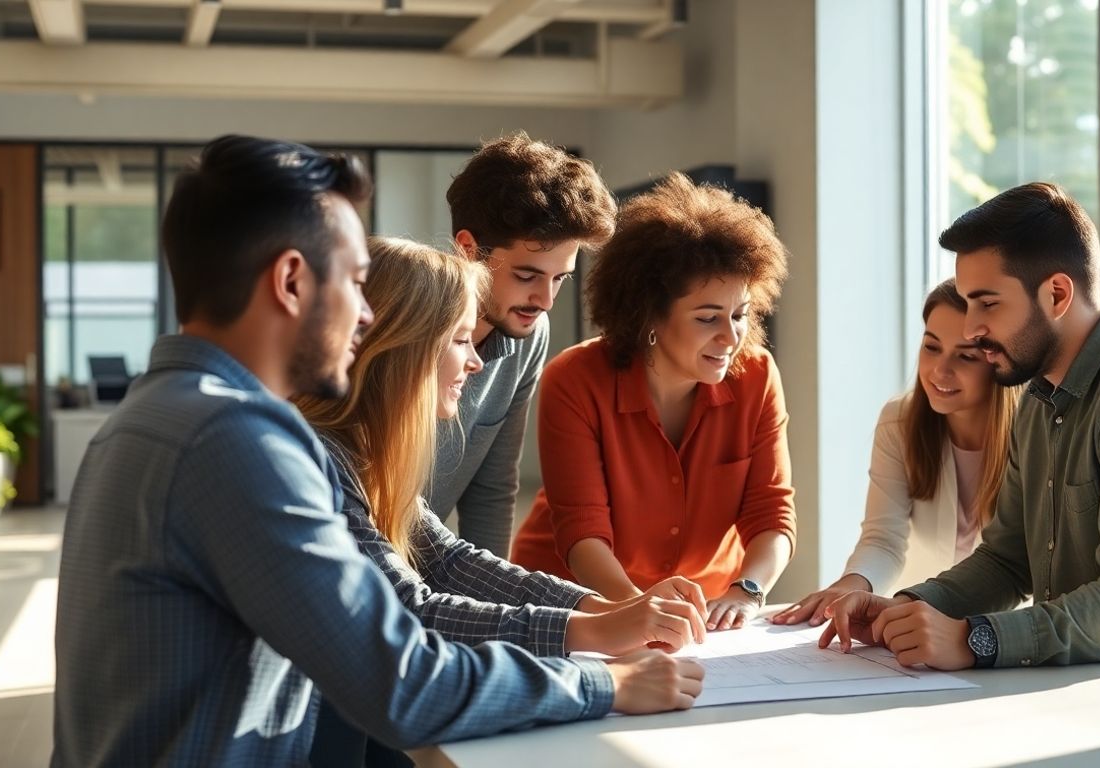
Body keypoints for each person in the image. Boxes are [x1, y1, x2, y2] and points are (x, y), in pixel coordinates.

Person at [52, 135, 703, 767]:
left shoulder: (157, 412)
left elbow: (440, 562)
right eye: (356, 283)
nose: (368, 317)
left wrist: (598, 617)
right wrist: (605, 685)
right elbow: (402, 681)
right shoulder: (234, 441)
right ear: (290, 282)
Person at [820, 181, 1100, 681]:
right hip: (1092, 688)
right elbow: (1007, 561)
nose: (970, 328)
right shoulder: (1039, 399)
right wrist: (904, 608)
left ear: (1057, 293)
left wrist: (975, 638)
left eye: (987, 304)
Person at [296, 236, 708, 767]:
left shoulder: (363, 454)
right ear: (406, 346)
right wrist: (599, 642)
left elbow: (448, 561)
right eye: (461, 340)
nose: (474, 363)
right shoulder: (319, 461)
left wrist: (605, 608)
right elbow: (412, 614)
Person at [511, 173, 796, 632]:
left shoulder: (757, 375)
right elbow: (583, 533)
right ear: (649, 315)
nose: (730, 336)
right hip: (574, 605)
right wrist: (637, 612)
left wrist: (748, 592)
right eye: (708, 318)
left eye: (740, 314)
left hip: (704, 612)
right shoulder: (575, 379)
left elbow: (771, 510)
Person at [772, 278, 1018, 627]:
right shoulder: (899, 423)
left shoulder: (1033, 434)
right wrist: (851, 585)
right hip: (912, 627)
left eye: (965, 356)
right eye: (931, 347)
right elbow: (883, 539)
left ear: (1000, 362)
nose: (940, 371)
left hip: (1002, 632)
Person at [430, 133, 616, 556]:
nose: (545, 301)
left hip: (418, 572)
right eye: (528, 276)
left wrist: (493, 609)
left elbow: (492, 489)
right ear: (468, 249)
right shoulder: (403, 327)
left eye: (560, 278)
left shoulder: (530, 334)